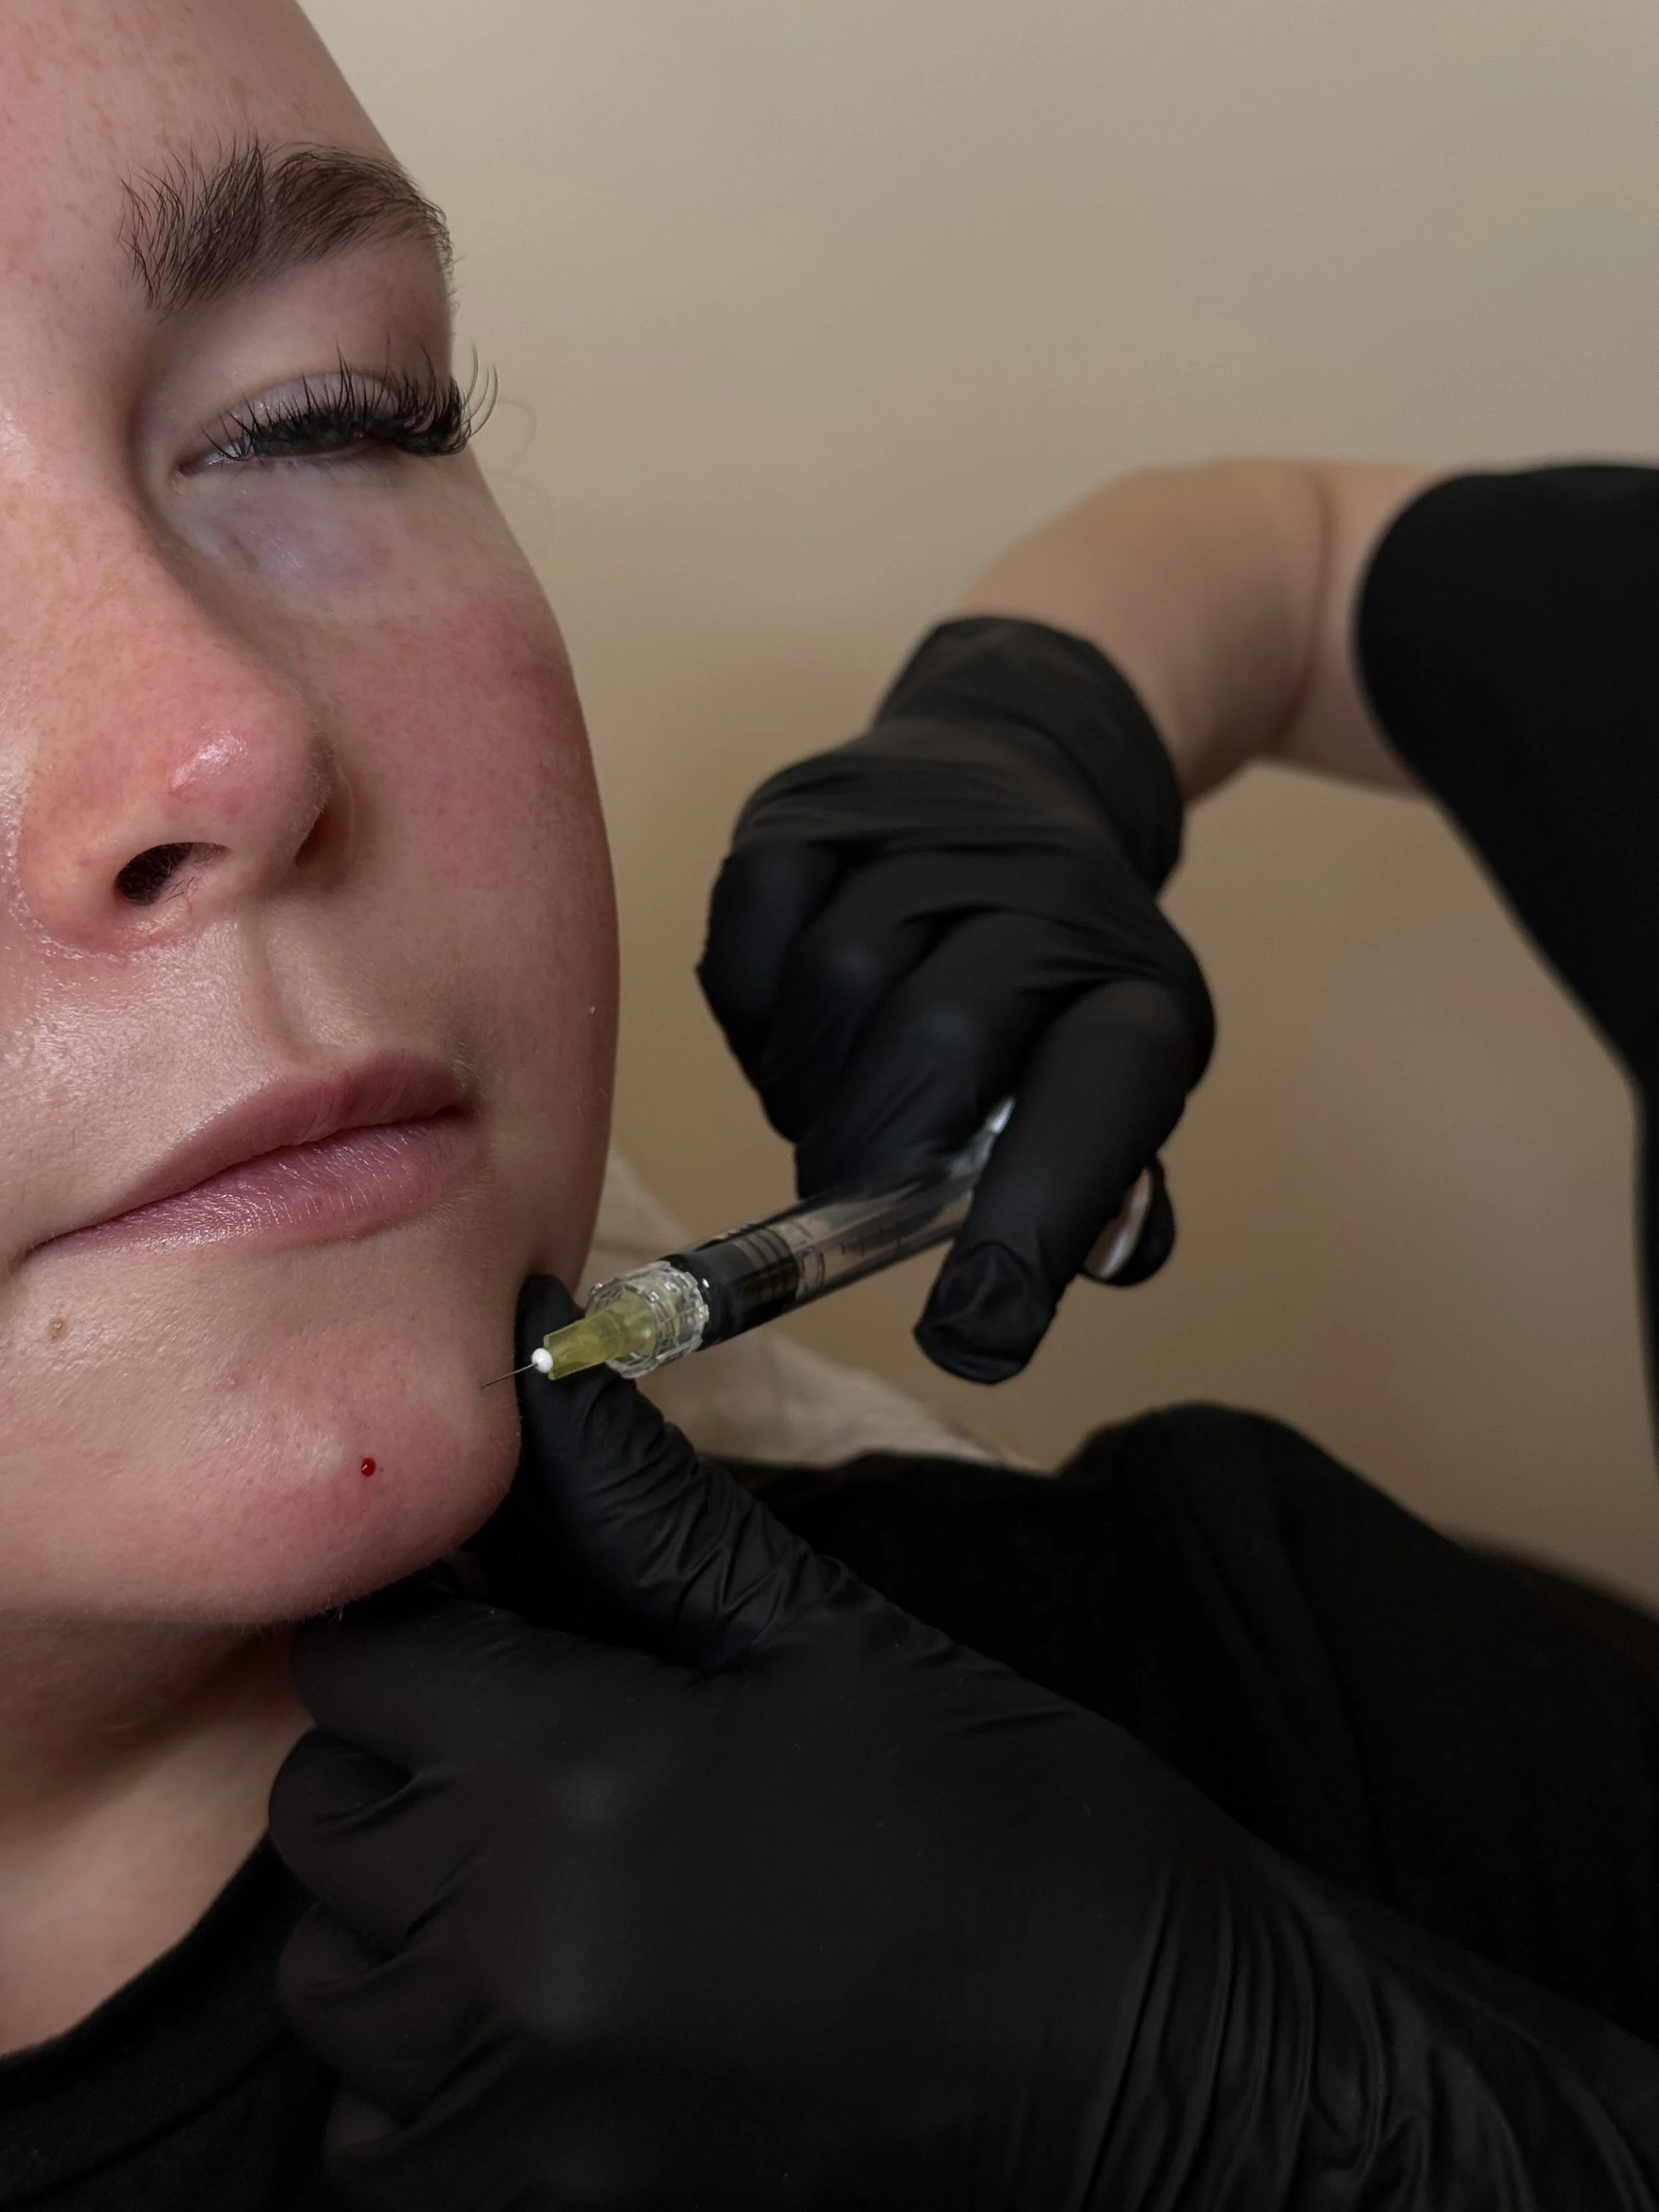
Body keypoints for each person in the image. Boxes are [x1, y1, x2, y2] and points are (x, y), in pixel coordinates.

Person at [271, 462, 1659, 2209]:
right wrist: (1027, 723)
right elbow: (1317, 562)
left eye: (316, 422)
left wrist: (1325, 2131)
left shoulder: (1255, 1660)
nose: (237, 751)